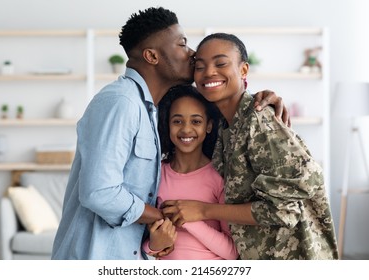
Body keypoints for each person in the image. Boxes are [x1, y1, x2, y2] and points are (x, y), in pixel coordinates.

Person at [51, 7, 288, 260]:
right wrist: (166, 215)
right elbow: (99, 192)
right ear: (152, 56)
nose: (193, 53)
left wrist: (255, 100)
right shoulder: (121, 102)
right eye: (182, 44)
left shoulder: (148, 109)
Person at [161, 33, 339, 260]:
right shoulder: (225, 127)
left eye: (221, 63)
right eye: (200, 66)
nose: (209, 72)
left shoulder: (259, 120)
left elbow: (285, 207)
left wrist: (203, 210)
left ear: (244, 70)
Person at [142, 85, 238, 260]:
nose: (186, 129)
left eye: (196, 121)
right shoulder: (156, 174)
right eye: (177, 121)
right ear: (167, 124)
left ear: (208, 126)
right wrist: (154, 245)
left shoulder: (219, 178)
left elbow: (232, 253)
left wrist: (189, 220)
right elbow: (146, 244)